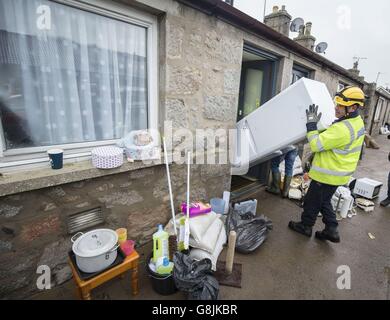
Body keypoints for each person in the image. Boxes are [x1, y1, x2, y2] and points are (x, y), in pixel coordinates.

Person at [289, 86, 366, 243]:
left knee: (312, 201)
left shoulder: (343, 128)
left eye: (340, 106)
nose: (336, 108)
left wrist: (311, 125)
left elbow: (317, 144)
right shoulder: (356, 122)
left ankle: (305, 226)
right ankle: (332, 229)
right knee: (323, 201)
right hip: (339, 173)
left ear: (352, 107)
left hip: (327, 174)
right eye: (336, 104)